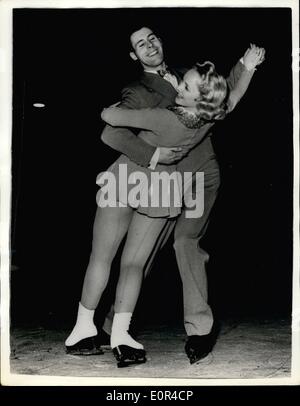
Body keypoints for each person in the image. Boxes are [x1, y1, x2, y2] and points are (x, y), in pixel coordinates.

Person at [65, 26, 265, 365]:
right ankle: (110, 332)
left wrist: (244, 66)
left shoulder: (187, 78)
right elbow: (111, 133)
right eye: (139, 44)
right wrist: (154, 155)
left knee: (118, 259)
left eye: (152, 38)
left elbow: (109, 119)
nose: (149, 46)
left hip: (142, 179)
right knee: (126, 261)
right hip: (154, 179)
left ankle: (97, 331)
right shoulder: (141, 90)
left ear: (161, 41)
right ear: (134, 56)